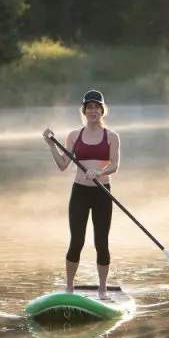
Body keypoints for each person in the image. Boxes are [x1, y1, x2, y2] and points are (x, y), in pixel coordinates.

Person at [43, 89, 121, 299]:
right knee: (76, 241)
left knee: (101, 242)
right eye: (89, 107)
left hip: (103, 193)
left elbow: (114, 165)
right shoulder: (74, 136)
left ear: (102, 111)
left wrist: (100, 171)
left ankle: (102, 290)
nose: (93, 111)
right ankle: (69, 288)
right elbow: (62, 165)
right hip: (80, 193)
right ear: (84, 111)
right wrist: (51, 145)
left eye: (97, 107)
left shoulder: (112, 137)